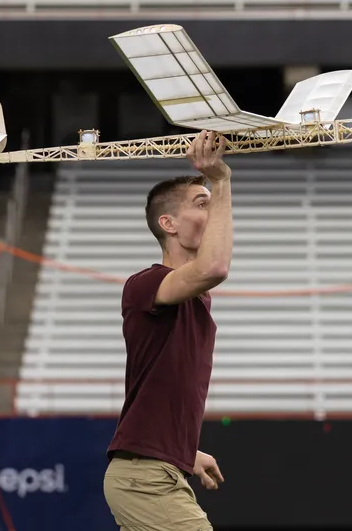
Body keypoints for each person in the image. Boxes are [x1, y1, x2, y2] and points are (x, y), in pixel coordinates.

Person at [102, 130, 233, 531]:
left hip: (158, 471)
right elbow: (214, 268)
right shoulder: (145, 284)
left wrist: (184, 453)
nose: (211, 213)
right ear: (168, 223)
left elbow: (158, 395)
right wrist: (221, 181)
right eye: (200, 204)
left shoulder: (194, 298)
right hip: (146, 481)